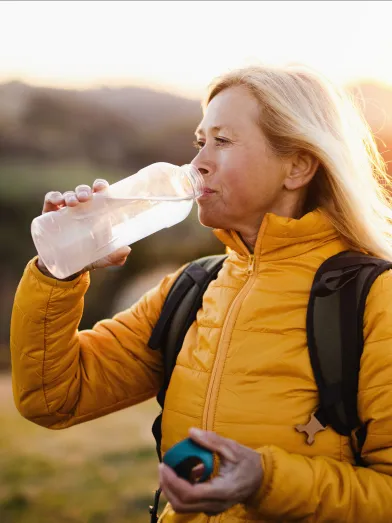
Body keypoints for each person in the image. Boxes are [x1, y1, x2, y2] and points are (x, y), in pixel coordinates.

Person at [10, 65, 392, 522]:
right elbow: (51, 398)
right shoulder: (191, 289)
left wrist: (264, 481)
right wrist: (59, 271)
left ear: (298, 165)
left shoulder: (374, 298)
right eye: (199, 142)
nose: (197, 164)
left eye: (223, 141)